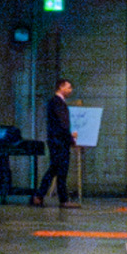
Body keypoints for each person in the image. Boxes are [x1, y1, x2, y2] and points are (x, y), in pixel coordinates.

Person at [31, 77, 75, 209]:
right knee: (59, 169)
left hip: (58, 141)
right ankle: (59, 199)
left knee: (56, 169)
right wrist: (70, 138)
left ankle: (41, 196)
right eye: (68, 87)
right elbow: (63, 124)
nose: (70, 90)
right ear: (61, 87)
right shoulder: (57, 102)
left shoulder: (57, 102)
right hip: (59, 142)